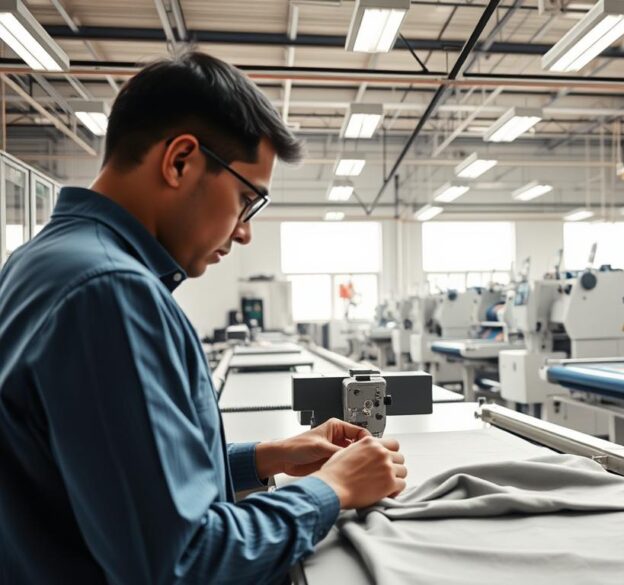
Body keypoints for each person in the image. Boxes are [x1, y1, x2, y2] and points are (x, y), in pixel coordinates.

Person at [0, 50, 406, 584]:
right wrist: (332, 489)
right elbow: (181, 562)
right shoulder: (109, 291)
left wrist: (265, 457)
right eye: (246, 199)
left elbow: (107, 481)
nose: (244, 232)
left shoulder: (43, 262)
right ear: (180, 161)